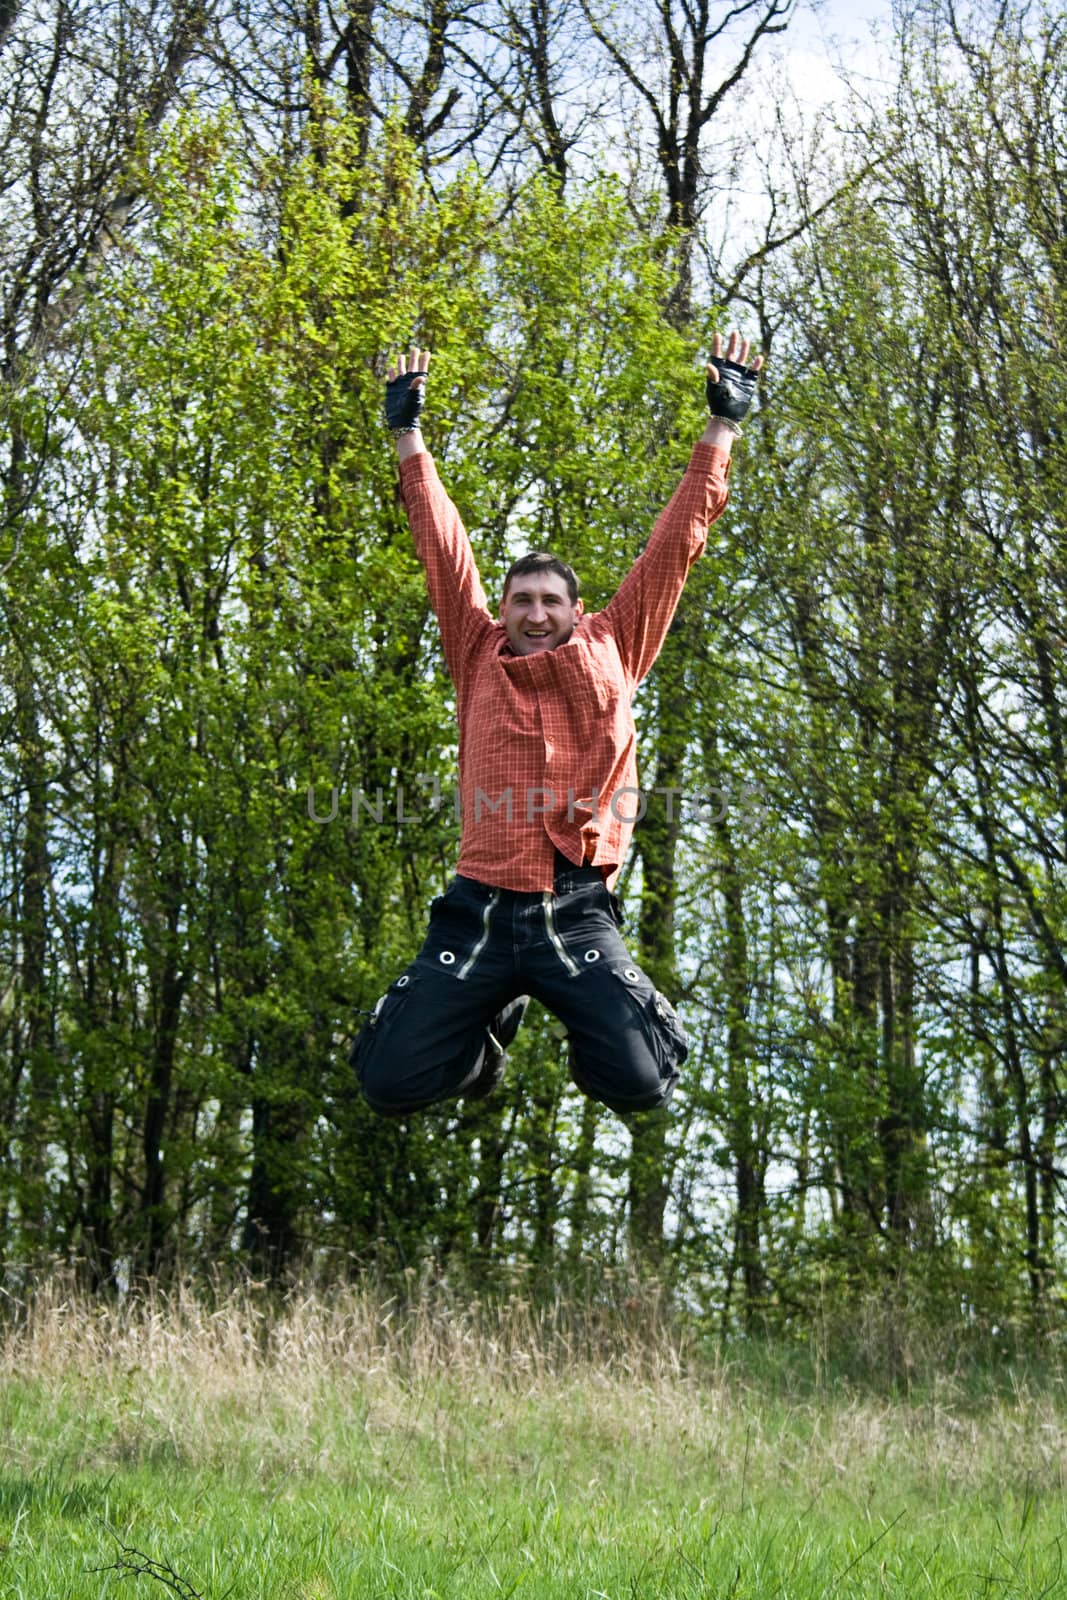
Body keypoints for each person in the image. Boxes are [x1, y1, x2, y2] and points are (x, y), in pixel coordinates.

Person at [351, 333, 762, 1117]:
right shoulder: (475, 650)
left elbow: (675, 546)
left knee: (643, 1080)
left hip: (573, 912)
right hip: (478, 908)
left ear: (576, 611)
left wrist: (723, 427)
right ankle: (483, 1041)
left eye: (549, 602)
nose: (534, 614)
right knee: (387, 1081)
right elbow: (440, 543)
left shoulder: (614, 644)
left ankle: (579, 1011)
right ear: (500, 610)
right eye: (520, 601)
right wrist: (407, 434)